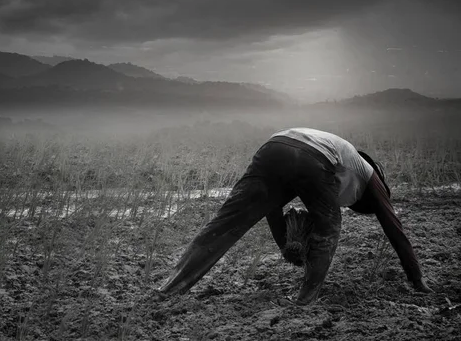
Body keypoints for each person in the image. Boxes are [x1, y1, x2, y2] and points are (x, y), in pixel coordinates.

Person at [159, 127, 432, 305]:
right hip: (311, 155)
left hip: (273, 146)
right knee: (330, 225)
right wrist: (416, 277)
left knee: (225, 223)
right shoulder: (372, 180)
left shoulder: (343, 167)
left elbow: (270, 206)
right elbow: (395, 229)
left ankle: (169, 288)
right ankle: (306, 300)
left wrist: (285, 247)